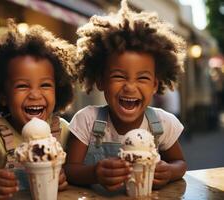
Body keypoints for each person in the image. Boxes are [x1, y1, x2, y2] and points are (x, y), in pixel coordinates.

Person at [65, 0, 187, 192]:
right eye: (119, 76)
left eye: (142, 78)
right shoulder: (86, 121)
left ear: (155, 85)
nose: (130, 87)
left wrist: (170, 171)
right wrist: (95, 173)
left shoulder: (163, 123)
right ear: (101, 81)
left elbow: (179, 162)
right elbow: (70, 169)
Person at [0, 19, 76, 199]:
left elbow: (76, 174)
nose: (35, 95)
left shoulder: (63, 130)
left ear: (58, 90)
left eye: (45, 85)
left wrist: (65, 179)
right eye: (22, 86)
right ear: (3, 96)